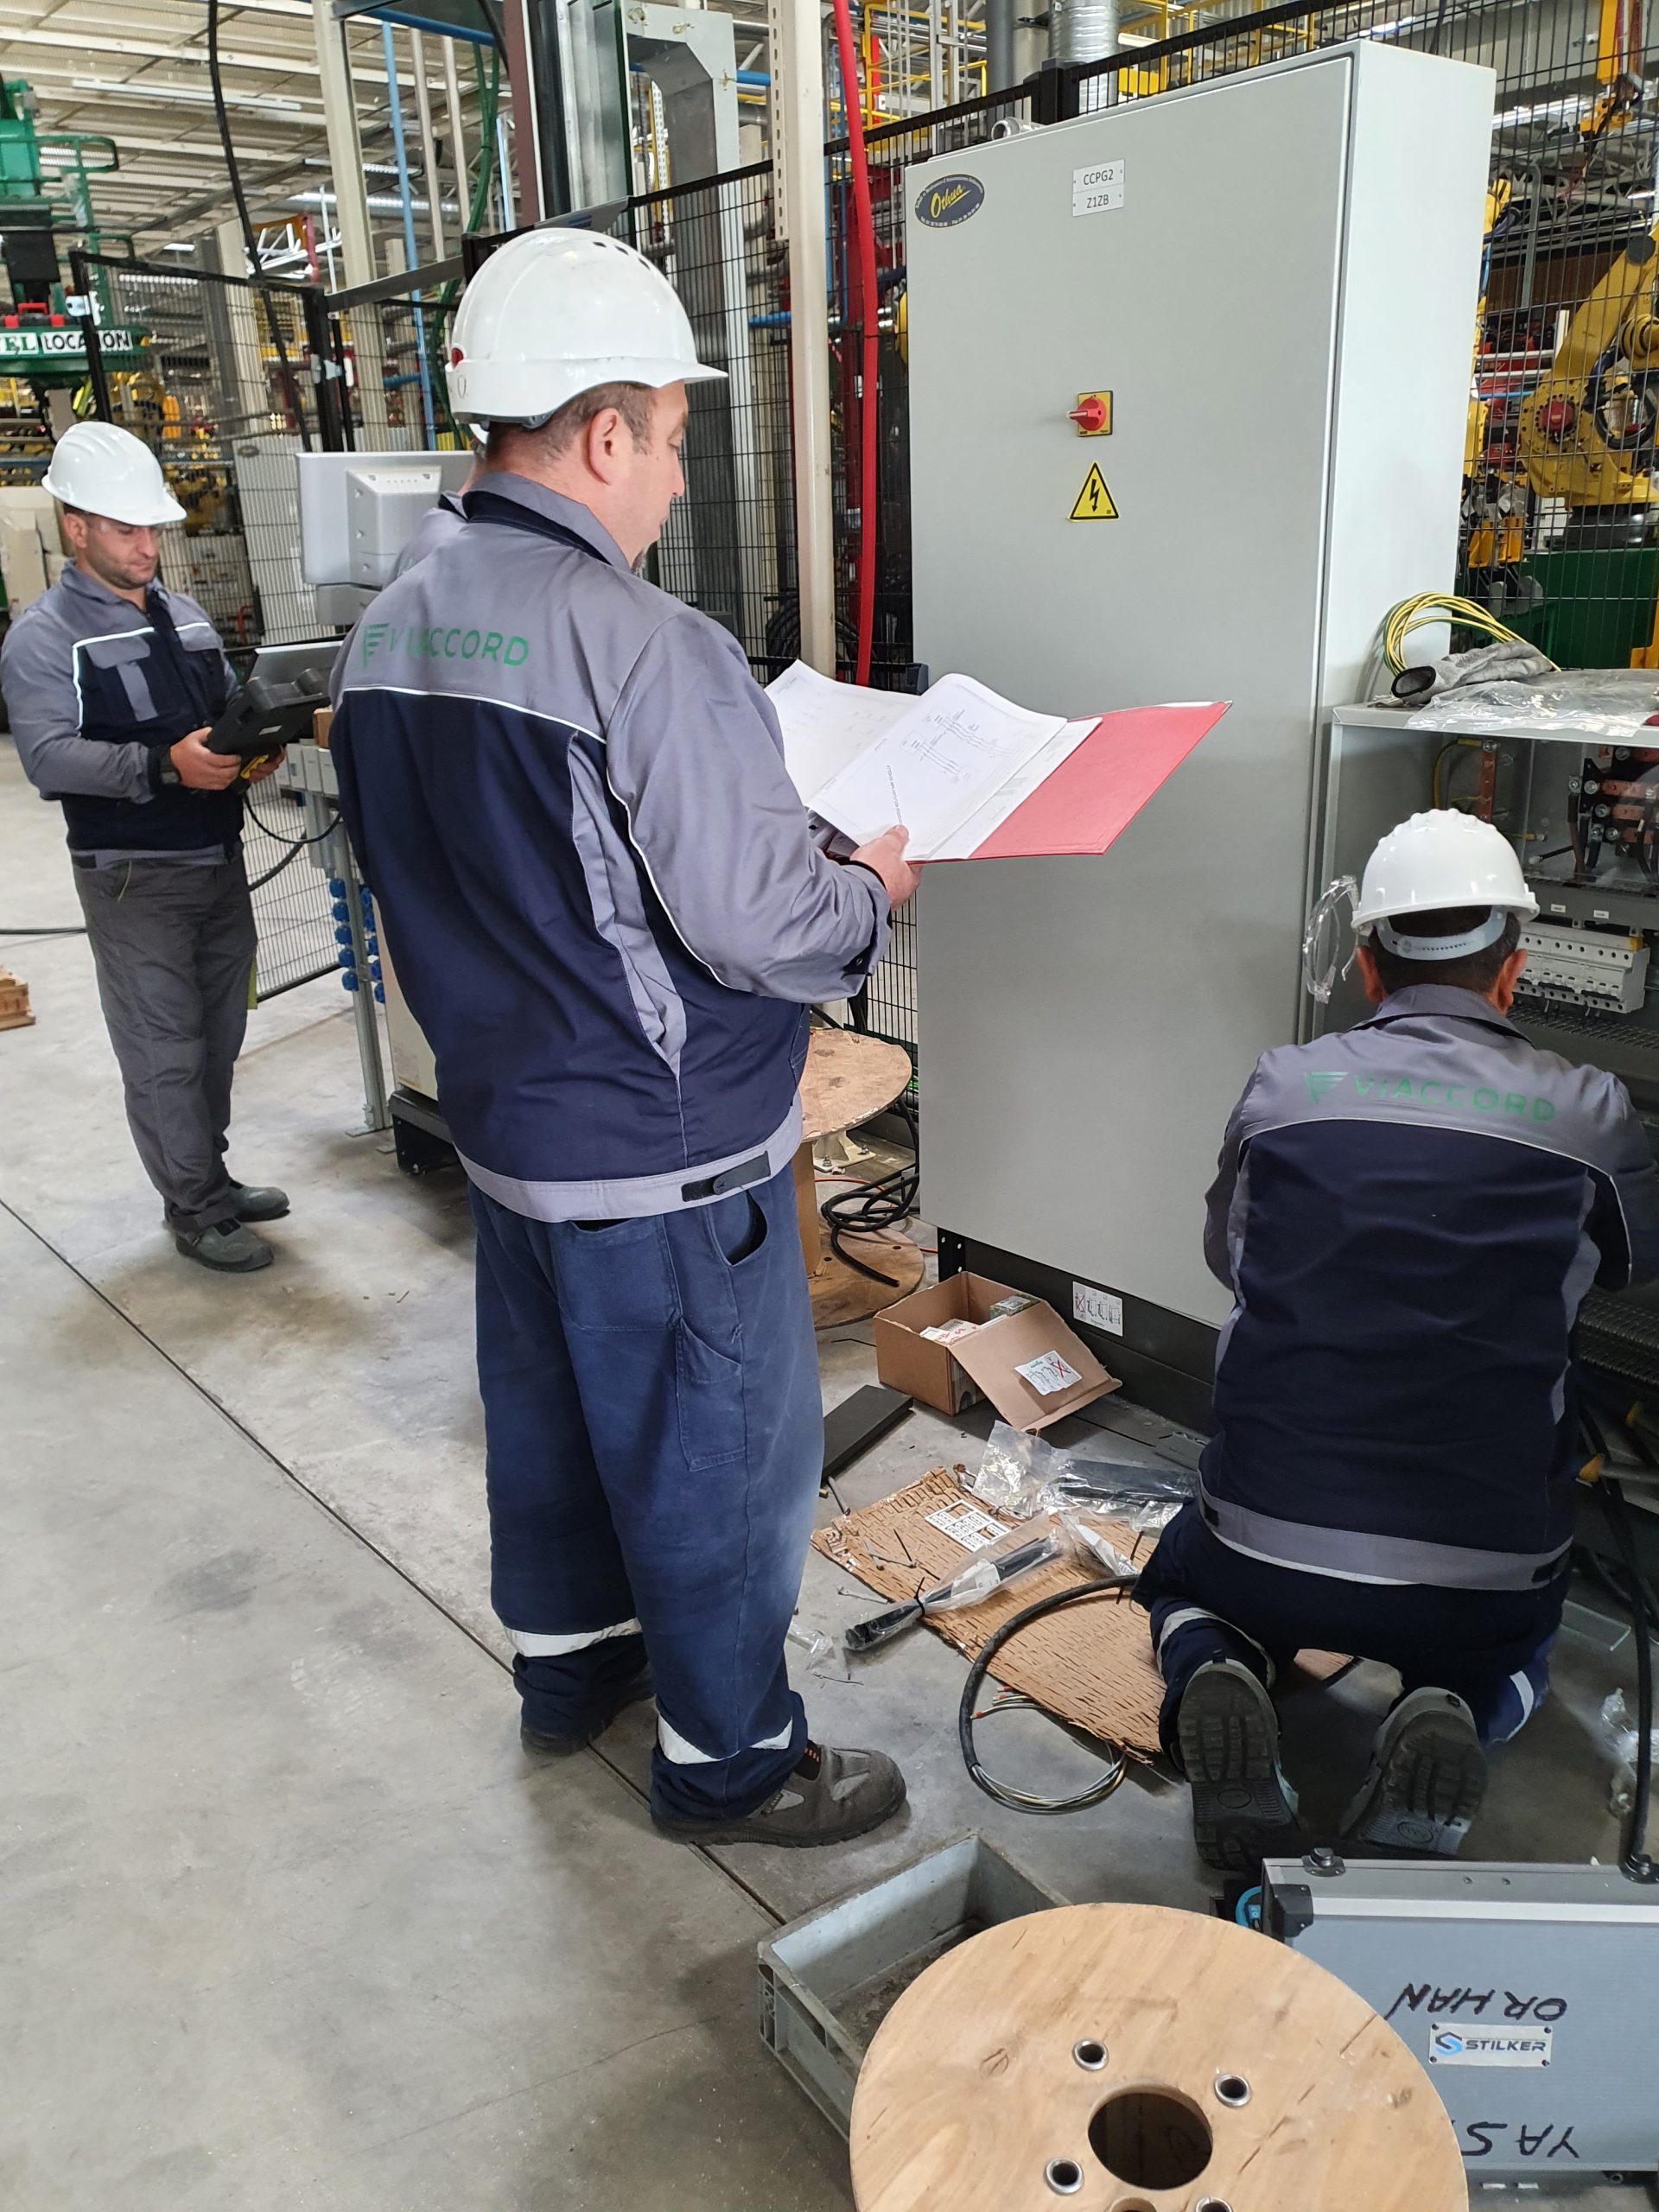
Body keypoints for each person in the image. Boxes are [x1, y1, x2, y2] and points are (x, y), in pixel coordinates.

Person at [330, 229, 920, 1847]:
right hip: (668, 1155)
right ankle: (734, 1760)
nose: (669, 479)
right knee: (716, 1466)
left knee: (553, 1430)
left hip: (512, 1133)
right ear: (603, 434)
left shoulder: (391, 628)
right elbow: (761, 929)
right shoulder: (646, 643)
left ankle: (573, 1673)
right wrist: (866, 891)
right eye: (668, 441)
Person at [1138, 810, 1659, 1871]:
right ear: (1513, 970)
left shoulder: (1283, 1086)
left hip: (1265, 1542)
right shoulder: (1593, 1112)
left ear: (1368, 969)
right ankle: (1459, 1705)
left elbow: (1231, 1260)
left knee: (1178, 1585)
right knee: (1517, 1650)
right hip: (1485, 1571)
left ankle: (1212, 1667)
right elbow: (1631, 1266)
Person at [1, 420, 289, 1273]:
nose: (147, 546)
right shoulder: (44, 637)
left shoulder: (185, 617)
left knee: (218, 1035)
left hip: (218, 860)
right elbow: (48, 758)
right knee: (164, 1048)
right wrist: (165, 765)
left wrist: (253, 745)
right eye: (126, 529)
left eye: (152, 529)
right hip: (134, 877)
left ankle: (210, 1177)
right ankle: (194, 1208)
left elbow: (228, 705)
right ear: (75, 527)